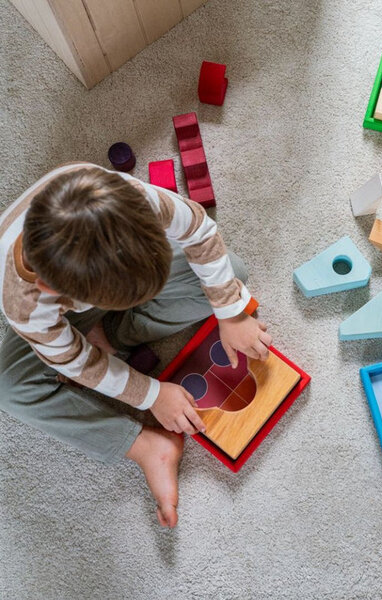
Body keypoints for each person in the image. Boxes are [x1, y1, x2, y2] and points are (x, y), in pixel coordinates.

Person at [0, 163, 272, 528]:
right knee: (10, 388)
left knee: (232, 273)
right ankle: (146, 447)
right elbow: (77, 363)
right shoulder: (26, 305)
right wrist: (151, 395)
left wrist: (231, 314)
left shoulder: (128, 196)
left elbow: (199, 229)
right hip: (62, 315)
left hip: (96, 274)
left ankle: (111, 335)